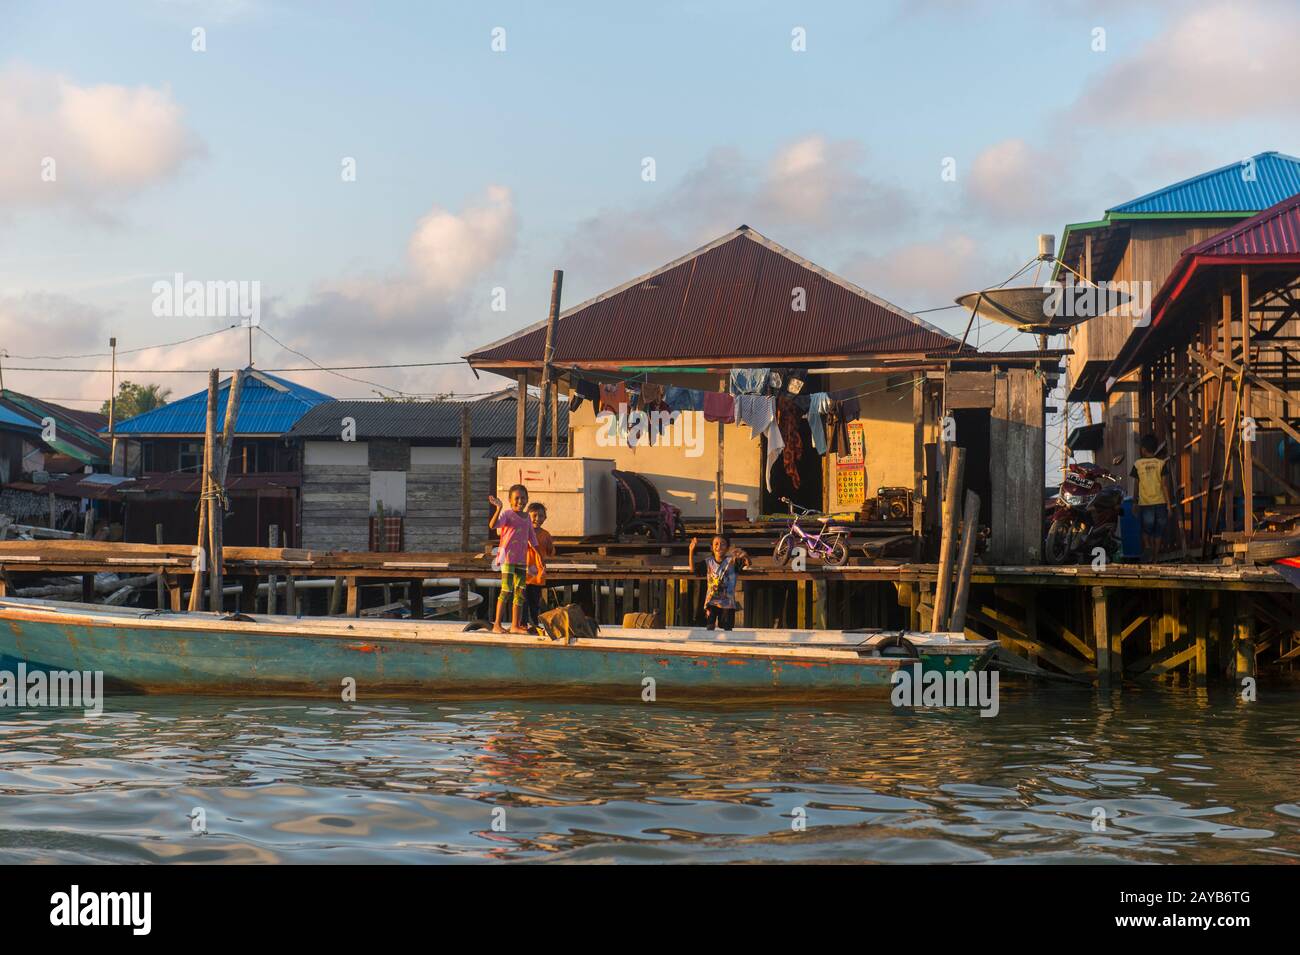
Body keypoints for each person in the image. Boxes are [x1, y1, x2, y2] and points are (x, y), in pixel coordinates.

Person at [488, 484, 538, 633]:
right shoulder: (507, 514)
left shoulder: (527, 517)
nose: (520, 501)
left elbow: (532, 538)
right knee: (506, 590)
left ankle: (515, 625)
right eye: (516, 498)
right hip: (507, 559)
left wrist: (539, 558)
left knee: (520, 591)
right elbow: (492, 525)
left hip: (522, 560)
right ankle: (497, 624)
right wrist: (498, 509)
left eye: (523, 498)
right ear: (510, 500)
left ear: (527, 499)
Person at [687, 534, 750, 630]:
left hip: (727, 603)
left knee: (727, 629)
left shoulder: (732, 561)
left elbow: (747, 563)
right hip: (711, 602)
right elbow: (692, 569)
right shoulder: (708, 562)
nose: (719, 547)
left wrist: (744, 555)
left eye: (723, 544)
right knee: (710, 627)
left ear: (727, 548)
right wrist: (691, 550)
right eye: (716, 544)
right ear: (712, 548)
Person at [1130, 434, 1173, 561]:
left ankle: (1148, 546)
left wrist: (1134, 502)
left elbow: (1136, 486)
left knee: (1146, 530)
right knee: (1158, 532)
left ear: (1143, 449)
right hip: (1160, 502)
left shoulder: (1138, 464)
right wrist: (1169, 506)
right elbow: (1165, 486)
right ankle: (1155, 558)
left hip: (1145, 504)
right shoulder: (1161, 464)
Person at [523, 502, 555, 632]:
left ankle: (534, 623)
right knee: (522, 600)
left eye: (541, 516)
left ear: (545, 518)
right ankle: (522, 623)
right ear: (527, 516)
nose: (537, 519)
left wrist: (551, 547)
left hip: (537, 573)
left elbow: (550, 552)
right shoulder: (522, 531)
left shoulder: (546, 534)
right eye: (534, 515)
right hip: (523, 571)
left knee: (534, 600)